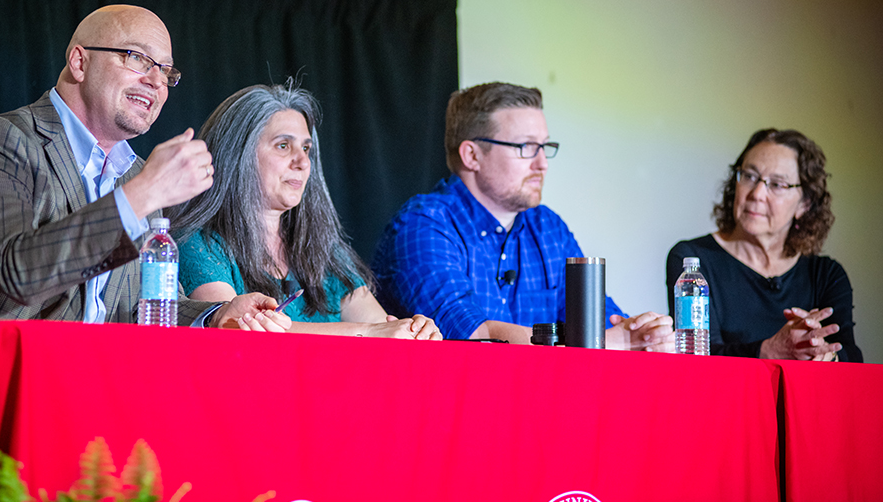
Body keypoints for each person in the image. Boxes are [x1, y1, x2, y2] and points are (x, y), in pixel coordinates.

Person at [0, 5, 287, 331]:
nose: (156, 81)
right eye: (138, 58)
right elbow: (16, 273)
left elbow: (141, 307)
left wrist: (218, 314)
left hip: (84, 385)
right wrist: (145, 193)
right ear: (80, 61)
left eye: (167, 72)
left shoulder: (136, 174)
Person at [372, 82, 673, 349]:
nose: (542, 163)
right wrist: (606, 341)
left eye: (545, 146)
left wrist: (644, 336)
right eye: (526, 147)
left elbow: (603, 324)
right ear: (472, 155)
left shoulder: (548, 227)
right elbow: (470, 337)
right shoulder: (424, 226)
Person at [167, 84, 441, 340]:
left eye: (306, 148)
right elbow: (235, 331)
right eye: (283, 146)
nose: (302, 161)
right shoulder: (198, 243)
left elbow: (382, 326)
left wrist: (413, 331)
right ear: (239, 154)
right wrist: (369, 332)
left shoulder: (326, 250)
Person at [666, 129, 861, 362]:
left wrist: (825, 353)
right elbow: (698, 357)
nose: (757, 193)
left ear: (805, 204)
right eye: (749, 176)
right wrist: (767, 351)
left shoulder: (826, 275)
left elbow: (852, 357)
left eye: (777, 184)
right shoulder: (693, 261)